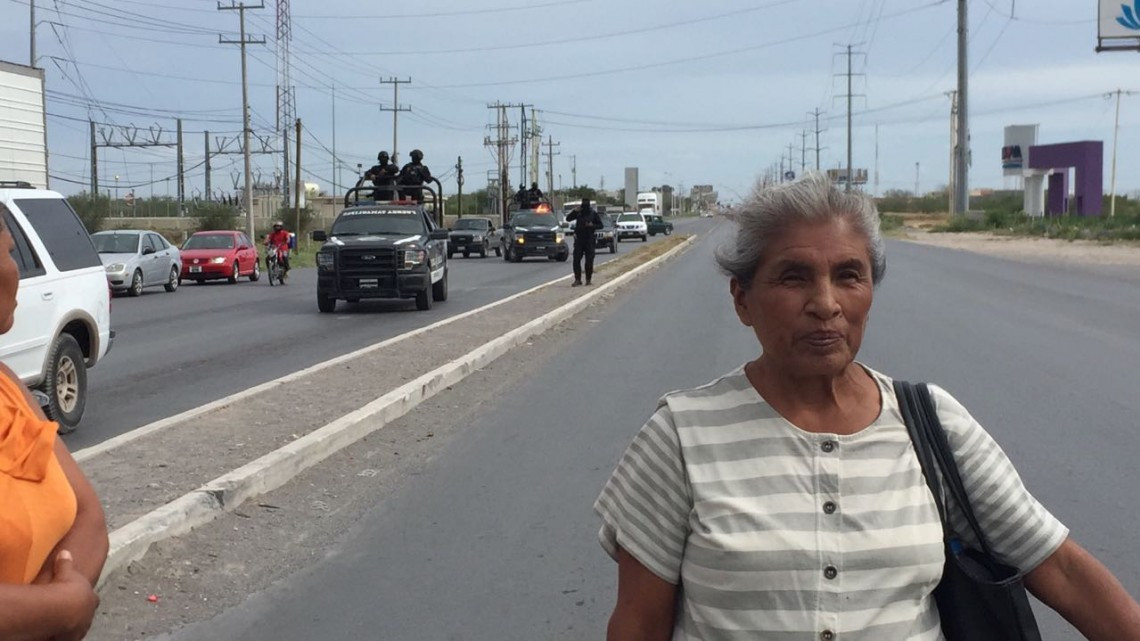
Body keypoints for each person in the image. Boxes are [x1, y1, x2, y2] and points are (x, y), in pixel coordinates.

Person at [594, 173, 1140, 640]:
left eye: (848, 275)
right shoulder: (682, 437)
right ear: (742, 299)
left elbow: (1062, 572)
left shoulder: (931, 423)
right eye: (794, 277)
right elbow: (638, 625)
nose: (825, 304)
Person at [0, 204, 108, 639]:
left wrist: (50, 604)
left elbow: (89, 518)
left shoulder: (9, 385)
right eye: (9, 253)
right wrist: (58, 608)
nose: (17, 271)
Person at [565, 197, 603, 287]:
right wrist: (574, 211)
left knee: (589, 261)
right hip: (579, 239)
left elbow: (600, 225)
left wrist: (592, 225)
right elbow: (568, 219)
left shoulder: (593, 213)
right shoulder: (578, 213)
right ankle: (577, 279)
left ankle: (588, 280)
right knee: (576, 260)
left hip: (589, 239)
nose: (584, 206)